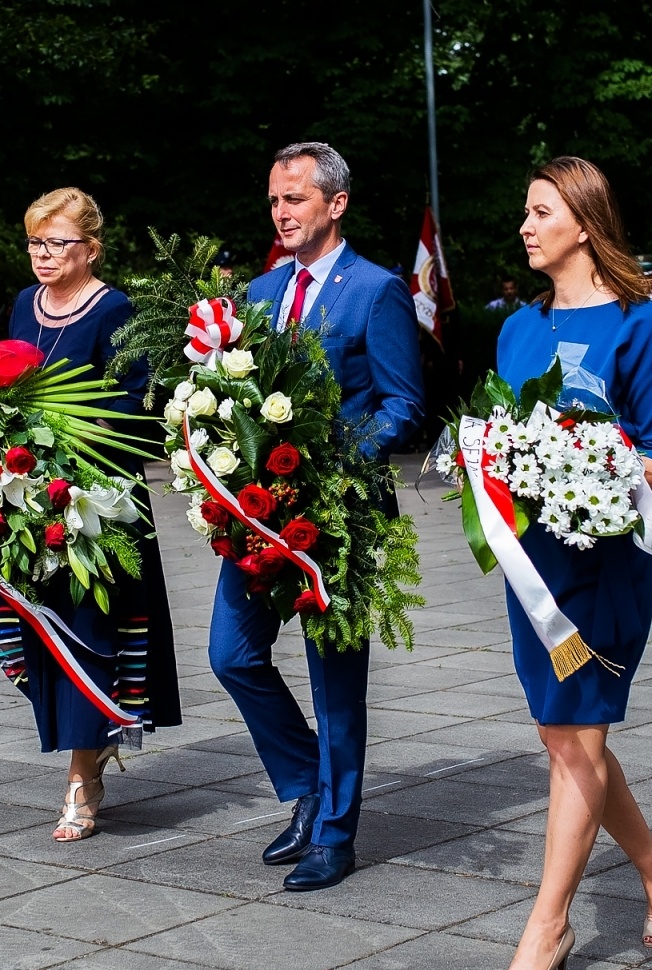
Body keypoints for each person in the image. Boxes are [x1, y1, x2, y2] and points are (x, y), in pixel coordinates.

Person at [490, 156, 652, 970]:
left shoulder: (645, 325)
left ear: (583, 220)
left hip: (607, 561)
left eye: (540, 212)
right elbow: (496, 440)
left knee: (577, 733)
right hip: (532, 562)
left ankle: (549, 923)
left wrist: (592, 469)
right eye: (526, 213)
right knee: (564, 732)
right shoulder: (515, 329)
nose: (527, 227)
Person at [210, 142, 424, 892]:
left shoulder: (377, 290)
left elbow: (403, 403)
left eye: (295, 198)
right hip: (259, 515)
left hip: (340, 515)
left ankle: (334, 835)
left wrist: (330, 461)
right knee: (231, 655)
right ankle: (308, 786)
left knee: (337, 682)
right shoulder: (261, 293)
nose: (281, 211)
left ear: (335, 204)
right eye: (274, 198)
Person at [1, 186, 181, 842]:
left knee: (87, 638)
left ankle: (82, 779)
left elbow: (139, 410)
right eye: (34, 242)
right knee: (30, 641)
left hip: (93, 507)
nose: (43, 255)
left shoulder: (114, 309)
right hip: (26, 501)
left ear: (92, 248)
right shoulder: (23, 304)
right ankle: (93, 742)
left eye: (57, 243)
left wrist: (70, 432)